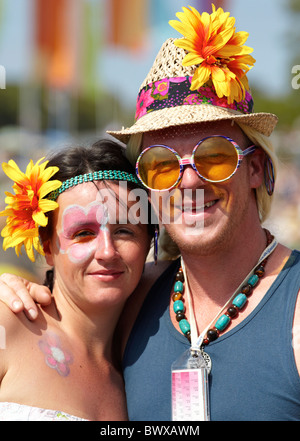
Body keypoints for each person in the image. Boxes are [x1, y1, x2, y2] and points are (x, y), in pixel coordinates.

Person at [1, 4, 300, 421]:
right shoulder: (140, 302)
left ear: (256, 167)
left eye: (215, 156)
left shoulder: (292, 309)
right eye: (161, 164)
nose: (190, 181)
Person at [0, 139, 152, 420]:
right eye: (83, 232)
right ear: (47, 246)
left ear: (149, 242)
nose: (107, 251)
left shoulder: (139, 377)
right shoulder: (8, 325)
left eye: (124, 231)